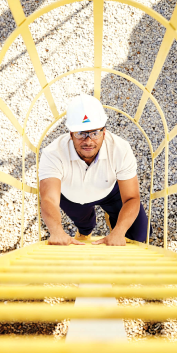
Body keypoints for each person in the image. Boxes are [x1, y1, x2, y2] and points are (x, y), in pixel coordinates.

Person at [38, 94, 149, 246]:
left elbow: (132, 198)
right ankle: (85, 231)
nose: (88, 141)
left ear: (104, 132)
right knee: (85, 225)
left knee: (139, 235)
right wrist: (56, 231)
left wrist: (118, 232)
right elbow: (49, 199)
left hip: (109, 190)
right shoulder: (53, 153)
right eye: (81, 133)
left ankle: (112, 220)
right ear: (70, 134)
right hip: (72, 196)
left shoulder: (120, 149)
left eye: (94, 133)